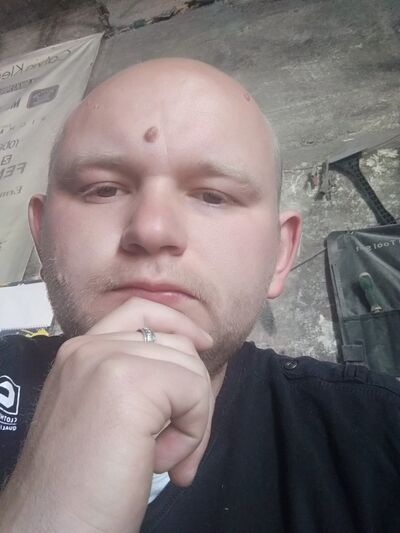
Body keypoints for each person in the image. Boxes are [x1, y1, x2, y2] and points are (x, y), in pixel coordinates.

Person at [0, 58, 399, 533]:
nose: (152, 230)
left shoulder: (380, 437)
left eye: (213, 195)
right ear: (42, 235)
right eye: (103, 190)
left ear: (279, 254)